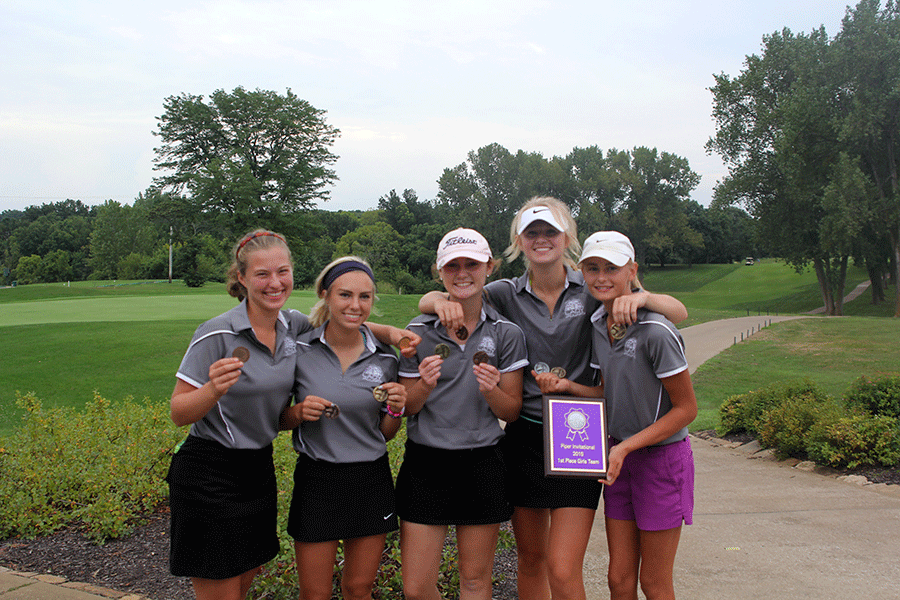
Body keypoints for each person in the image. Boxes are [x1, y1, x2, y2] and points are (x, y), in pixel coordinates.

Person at [419, 197, 688, 600]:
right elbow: (448, 295)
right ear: (519, 241)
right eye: (532, 232)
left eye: (550, 231)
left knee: (562, 569)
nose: (541, 239)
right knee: (531, 560)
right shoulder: (503, 293)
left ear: (567, 239)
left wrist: (645, 297)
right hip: (525, 435)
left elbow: (677, 311)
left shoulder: (594, 283)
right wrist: (437, 301)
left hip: (579, 434)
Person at [167, 230, 417, 600]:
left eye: (282, 272)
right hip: (210, 470)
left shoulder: (292, 328)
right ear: (242, 278)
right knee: (222, 589)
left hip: (257, 470)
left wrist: (393, 334)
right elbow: (178, 413)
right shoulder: (217, 332)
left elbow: (346, 321)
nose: (274, 283)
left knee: (244, 578)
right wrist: (212, 390)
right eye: (262, 274)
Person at [534, 230, 697, 600]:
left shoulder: (656, 329)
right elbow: (608, 392)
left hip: (660, 460)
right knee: (619, 580)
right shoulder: (597, 324)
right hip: (618, 459)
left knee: (654, 583)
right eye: (592, 268)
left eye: (611, 267)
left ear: (632, 270)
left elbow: (687, 410)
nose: (601, 277)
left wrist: (624, 449)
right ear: (582, 272)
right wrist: (569, 389)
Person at [397, 228, 528, 600]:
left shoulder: (506, 333)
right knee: (417, 586)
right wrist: (423, 385)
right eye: (452, 266)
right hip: (426, 463)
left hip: (482, 461)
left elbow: (513, 411)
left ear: (490, 267)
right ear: (440, 273)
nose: (462, 272)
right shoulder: (418, 331)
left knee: (474, 580)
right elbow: (407, 407)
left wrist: (491, 390)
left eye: (472, 263)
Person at [280, 256, 408, 600]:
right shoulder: (300, 350)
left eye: (365, 297)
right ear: (325, 294)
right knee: (314, 593)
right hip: (317, 480)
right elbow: (278, 420)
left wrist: (396, 409)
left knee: (358, 588)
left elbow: (384, 433)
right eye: (345, 295)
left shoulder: (385, 358)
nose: (355, 305)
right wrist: (297, 412)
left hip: (370, 479)